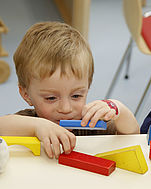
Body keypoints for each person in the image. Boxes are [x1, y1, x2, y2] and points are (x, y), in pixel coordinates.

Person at [0, 22, 139, 159]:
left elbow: (133, 136)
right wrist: (38, 126)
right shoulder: (28, 122)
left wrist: (117, 109)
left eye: (76, 95)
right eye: (51, 98)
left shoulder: (92, 125)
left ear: (87, 87)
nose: (66, 109)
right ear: (26, 95)